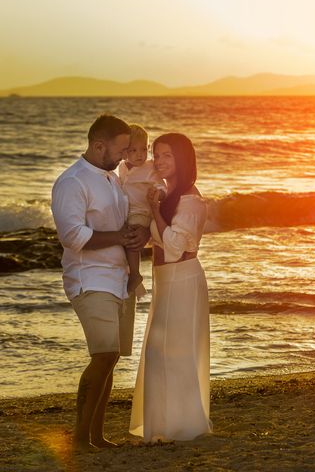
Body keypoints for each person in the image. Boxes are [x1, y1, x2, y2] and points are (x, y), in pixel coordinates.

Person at [51, 115, 149, 451]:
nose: (125, 156)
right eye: (121, 149)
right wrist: (120, 235)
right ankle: (79, 437)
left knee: (111, 357)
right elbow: (72, 236)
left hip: (119, 277)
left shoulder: (112, 178)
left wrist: (137, 233)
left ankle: (96, 435)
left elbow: (123, 223)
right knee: (104, 353)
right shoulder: (72, 182)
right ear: (98, 145)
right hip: (88, 278)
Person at [130, 133, 212, 442]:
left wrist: (153, 212)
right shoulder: (169, 194)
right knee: (161, 353)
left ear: (182, 159)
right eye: (156, 154)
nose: (159, 161)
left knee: (173, 354)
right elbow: (161, 239)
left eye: (166, 155)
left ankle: (183, 427)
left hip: (182, 279)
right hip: (166, 281)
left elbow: (176, 246)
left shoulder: (190, 198)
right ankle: (163, 427)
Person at [117, 124, 165, 297]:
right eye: (134, 150)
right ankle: (131, 275)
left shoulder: (149, 167)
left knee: (132, 239)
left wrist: (160, 194)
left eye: (144, 149)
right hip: (126, 211)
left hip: (142, 212)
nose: (140, 154)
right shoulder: (122, 167)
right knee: (121, 241)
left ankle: (135, 275)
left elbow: (161, 185)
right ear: (124, 152)